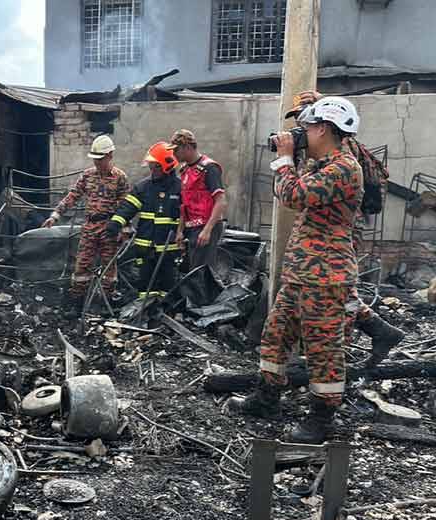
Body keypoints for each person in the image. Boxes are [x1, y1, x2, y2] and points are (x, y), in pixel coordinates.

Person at [238, 97, 364, 444]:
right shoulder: (320, 164)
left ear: (322, 129)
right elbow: (290, 189)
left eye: (307, 127)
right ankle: (267, 398)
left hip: (326, 276)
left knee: (323, 349)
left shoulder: (344, 168)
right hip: (301, 273)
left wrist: (283, 158)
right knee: (275, 336)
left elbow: (293, 196)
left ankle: (322, 418)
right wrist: (291, 157)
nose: (301, 132)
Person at [286, 91, 405, 366]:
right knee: (344, 292)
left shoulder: (339, 150)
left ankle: (340, 348)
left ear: (323, 123)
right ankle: (379, 331)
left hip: (340, 229)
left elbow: (306, 190)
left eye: (304, 119)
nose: (300, 127)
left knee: (338, 288)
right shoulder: (316, 148)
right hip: (326, 227)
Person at [44, 135, 130, 308]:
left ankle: (106, 304)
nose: (97, 162)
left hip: (109, 228)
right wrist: (55, 215)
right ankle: (77, 303)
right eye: (95, 159)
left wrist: (125, 229)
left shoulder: (120, 178)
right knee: (82, 266)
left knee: (109, 268)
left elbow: (126, 206)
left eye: (100, 159)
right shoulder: (87, 175)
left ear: (110, 155)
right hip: (90, 227)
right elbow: (72, 196)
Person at [110, 142, 181, 300]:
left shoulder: (180, 188)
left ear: (166, 166)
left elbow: (187, 214)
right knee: (145, 282)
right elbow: (128, 207)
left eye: (155, 166)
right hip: (145, 246)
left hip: (169, 248)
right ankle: (147, 308)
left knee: (168, 282)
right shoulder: (143, 187)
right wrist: (116, 223)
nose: (152, 170)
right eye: (151, 166)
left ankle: (165, 308)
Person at [169, 129, 228, 275]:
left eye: (176, 150)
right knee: (192, 272)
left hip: (206, 226)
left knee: (202, 273)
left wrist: (207, 230)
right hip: (192, 228)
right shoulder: (184, 170)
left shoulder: (209, 168)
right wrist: (180, 231)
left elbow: (221, 201)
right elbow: (184, 204)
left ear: (187, 147)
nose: (174, 154)